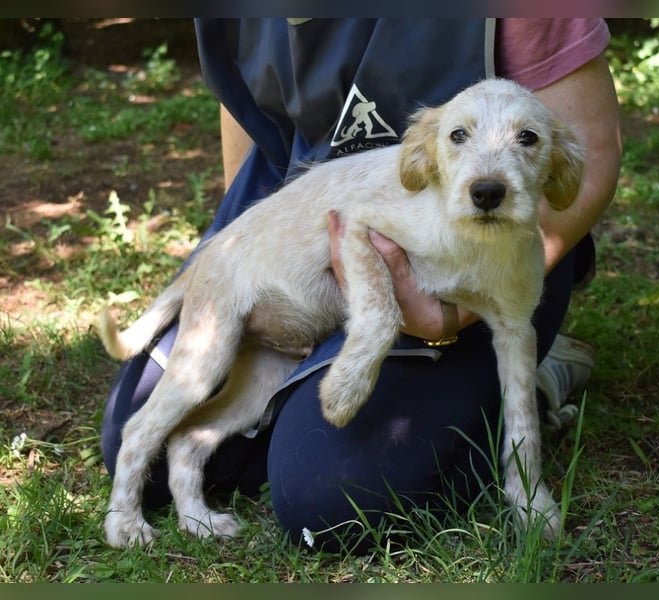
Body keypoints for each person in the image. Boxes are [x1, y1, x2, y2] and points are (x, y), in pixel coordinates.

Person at [100, 18, 622, 553]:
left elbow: (590, 158)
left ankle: (515, 435)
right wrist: (247, 243)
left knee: (330, 497)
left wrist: (441, 321)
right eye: (460, 137)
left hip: (480, 258)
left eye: (527, 140)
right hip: (278, 266)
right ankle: (140, 507)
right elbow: (250, 120)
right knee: (144, 427)